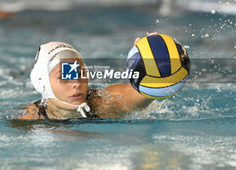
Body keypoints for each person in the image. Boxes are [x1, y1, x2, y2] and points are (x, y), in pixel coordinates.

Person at [19, 33, 163, 120]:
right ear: (41, 83)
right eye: (65, 76)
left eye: (80, 73)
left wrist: (151, 66)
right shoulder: (32, 117)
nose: (76, 83)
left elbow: (146, 90)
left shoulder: (102, 103)